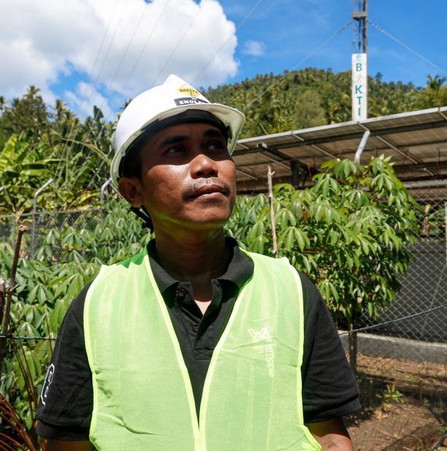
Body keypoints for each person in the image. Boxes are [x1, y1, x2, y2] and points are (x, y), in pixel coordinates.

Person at [37, 75, 361, 450]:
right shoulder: (98, 305)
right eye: (176, 150)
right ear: (132, 190)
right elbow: (67, 444)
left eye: (215, 146)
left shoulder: (290, 290)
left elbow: (332, 437)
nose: (207, 163)